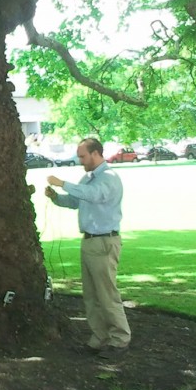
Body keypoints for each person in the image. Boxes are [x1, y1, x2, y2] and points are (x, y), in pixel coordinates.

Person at [44, 137, 130, 360]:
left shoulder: (109, 178)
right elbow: (76, 201)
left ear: (96, 154)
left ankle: (120, 340)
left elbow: (93, 195)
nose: (80, 160)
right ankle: (99, 338)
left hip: (104, 241)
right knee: (91, 295)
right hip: (90, 241)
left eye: (83, 156)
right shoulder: (88, 178)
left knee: (107, 293)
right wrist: (56, 197)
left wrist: (62, 183)